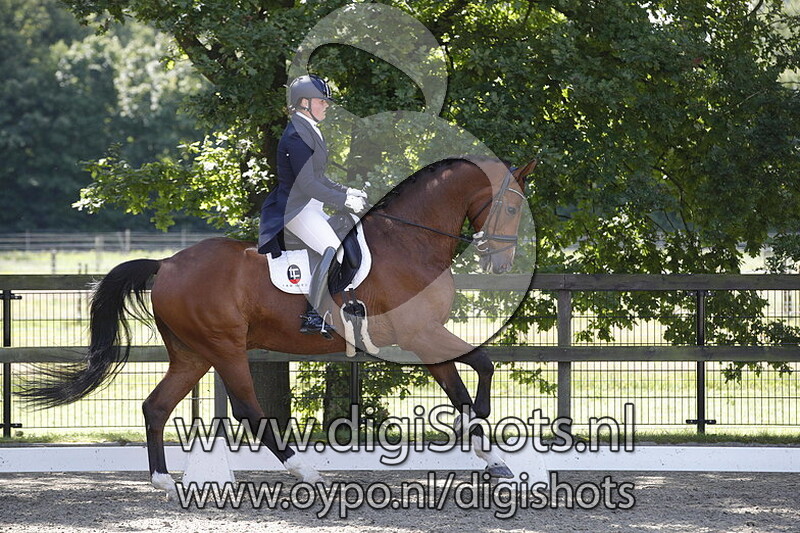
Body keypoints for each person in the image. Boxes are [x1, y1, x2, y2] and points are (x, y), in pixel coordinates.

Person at [258, 74, 368, 337]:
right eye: (321, 101)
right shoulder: (297, 135)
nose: (326, 105)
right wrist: (343, 200)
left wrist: (346, 191)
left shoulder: (309, 129)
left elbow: (319, 177)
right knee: (332, 249)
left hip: (312, 206)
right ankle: (312, 315)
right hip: (295, 209)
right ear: (304, 103)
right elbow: (307, 184)